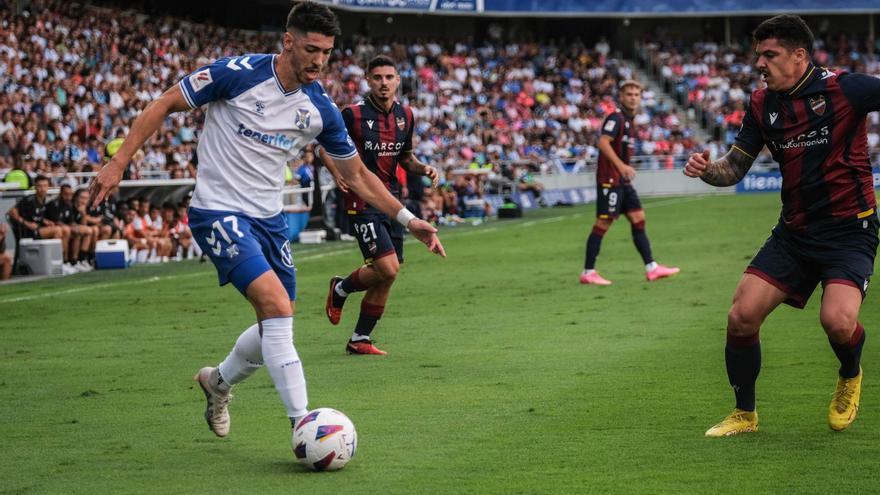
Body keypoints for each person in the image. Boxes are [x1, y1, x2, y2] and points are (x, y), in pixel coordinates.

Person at [89, 1, 444, 444]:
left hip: (269, 220)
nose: (319, 61)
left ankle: (218, 383)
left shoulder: (320, 109)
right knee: (276, 308)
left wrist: (410, 220)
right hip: (217, 211)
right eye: (311, 49)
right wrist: (119, 162)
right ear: (288, 41)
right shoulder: (236, 73)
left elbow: (356, 175)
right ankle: (305, 424)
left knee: (276, 322)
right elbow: (165, 103)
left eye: (327, 52)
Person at [684, 15, 880, 436]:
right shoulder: (761, 104)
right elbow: (734, 168)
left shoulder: (847, 89)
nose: (760, 64)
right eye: (758, 56)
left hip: (849, 232)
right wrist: (706, 170)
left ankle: (850, 373)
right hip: (794, 233)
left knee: (837, 322)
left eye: (769, 55)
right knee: (741, 315)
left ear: (799, 56)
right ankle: (745, 414)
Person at [319, 55, 439, 355]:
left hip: (392, 200)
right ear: (368, 81)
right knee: (387, 267)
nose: (384, 83)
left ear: (398, 80)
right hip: (361, 199)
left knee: (389, 273)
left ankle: (360, 338)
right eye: (377, 78)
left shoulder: (407, 116)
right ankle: (340, 289)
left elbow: (406, 158)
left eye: (389, 77)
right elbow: (324, 148)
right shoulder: (352, 115)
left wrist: (424, 168)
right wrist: (337, 173)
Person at [580, 80, 679, 285]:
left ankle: (651, 268)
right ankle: (588, 272)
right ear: (621, 97)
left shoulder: (628, 120)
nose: (633, 97)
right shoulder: (616, 117)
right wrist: (622, 166)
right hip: (610, 179)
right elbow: (603, 143)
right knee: (603, 222)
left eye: (636, 94)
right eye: (629, 94)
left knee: (638, 218)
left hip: (622, 182)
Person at [7, 176, 68, 266]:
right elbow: (11, 212)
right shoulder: (29, 200)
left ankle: (66, 261)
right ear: (35, 186)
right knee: (57, 230)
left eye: (45, 186)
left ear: (48, 187)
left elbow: (35, 215)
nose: (42, 189)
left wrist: (45, 221)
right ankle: (56, 263)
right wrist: (26, 223)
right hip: (28, 232)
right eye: (40, 186)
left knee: (65, 230)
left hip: (38, 229)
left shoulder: (43, 200)